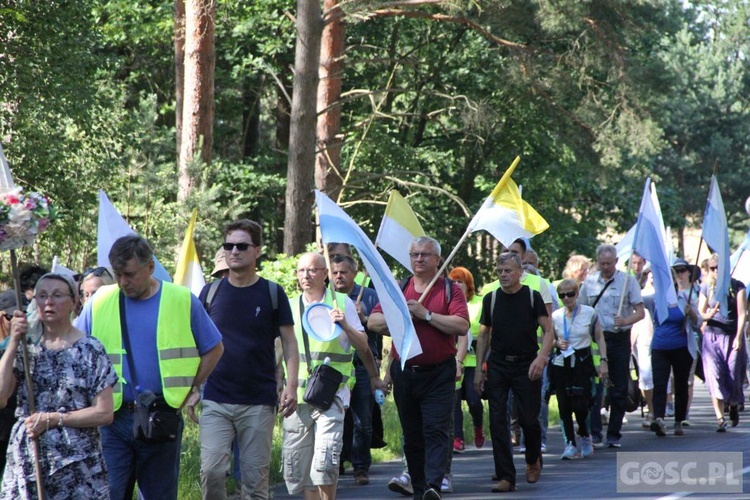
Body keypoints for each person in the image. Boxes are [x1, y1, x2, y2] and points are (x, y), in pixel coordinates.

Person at [76, 234, 224, 500]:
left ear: (150, 267)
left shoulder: (182, 299)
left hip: (161, 415)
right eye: (118, 274)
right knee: (107, 494)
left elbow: (214, 348)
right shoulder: (99, 302)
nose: (123, 282)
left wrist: (193, 386)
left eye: (130, 274)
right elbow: (73, 348)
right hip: (112, 419)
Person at [196, 219, 299, 500]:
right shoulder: (209, 293)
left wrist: (291, 386)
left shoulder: (273, 293)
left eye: (242, 246)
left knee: (254, 484)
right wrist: (192, 389)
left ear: (257, 251)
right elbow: (196, 345)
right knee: (212, 471)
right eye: (228, 246)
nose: (234, 251)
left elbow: (289, 343)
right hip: (216, 398)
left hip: (258, 401)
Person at [369, 236, 469, 500]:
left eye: (425, 255)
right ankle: (419, 486)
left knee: (435, 429)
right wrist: (401, 317)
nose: (419, 259)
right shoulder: (399, 288)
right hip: (406, 373)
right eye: (414, 255)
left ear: (438, 259)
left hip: (439, 372)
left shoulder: (450, 290)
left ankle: (434, 485)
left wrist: (426, 315)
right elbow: (373, 321)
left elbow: (461, 326)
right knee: (412, 434)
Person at [0, 273, 117, 498]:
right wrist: (14, 341)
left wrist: (55, 419)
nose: (48, 302)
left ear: (74, 302)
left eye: (57, 295)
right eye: (41, 296)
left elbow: (104, 413)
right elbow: (1, 396)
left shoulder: (90, 349)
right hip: (29, 459)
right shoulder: (27, 348)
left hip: (78, 463)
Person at [282, 252, 385, 499]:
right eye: (301, 271)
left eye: (312, 270)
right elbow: (278, 350)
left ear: (325, 274)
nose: (306, 276)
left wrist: (345, 325)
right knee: (300, 467)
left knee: (325, 463)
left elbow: (363, 345)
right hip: (298, 397)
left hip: (333, 394)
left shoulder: (341, 303)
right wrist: (279, 386)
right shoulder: (289, 305)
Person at [474, 252, 553, 493]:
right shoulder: (491, 299)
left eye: (508, 271)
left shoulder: (532, 296)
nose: (503, 275)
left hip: (526, 364)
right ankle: (506, 476)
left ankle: (532, 459)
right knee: (497, 420)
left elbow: (549, 331)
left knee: (529, 419)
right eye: (499, 271)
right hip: (498, 364)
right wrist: (479, 370)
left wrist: (541, 358)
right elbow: (484, 334)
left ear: (520, 272)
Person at [578, 244, 644, 448]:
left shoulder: (628, 282)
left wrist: (625, 320)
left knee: (619, 388)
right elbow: (580, 310)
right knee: (594, 387)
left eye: (609, 263)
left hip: (618, 339)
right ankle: (595, 432)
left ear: (616, 262)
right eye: (602, 263)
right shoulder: (588, 284)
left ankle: (614, 433)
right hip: (596, 340)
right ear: (597, 262)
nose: (605, 267)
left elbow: (640, 312)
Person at [329, 253, 379, 486]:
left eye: (344, 272)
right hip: (335, 367)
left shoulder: (369, 296)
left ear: (354, 274)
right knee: (338, 418)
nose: (339, 276)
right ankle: (336, 463)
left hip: (361, 364)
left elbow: (382, 329)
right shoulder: (326, 297)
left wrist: (364, 318)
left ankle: (361, 467)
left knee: (362, 420)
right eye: (335, 272)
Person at [550, 279, 607, 460]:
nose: (567, 298)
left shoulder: (589, 313)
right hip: (562, 363)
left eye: (570, 294)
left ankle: (584, 434)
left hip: (582, 362)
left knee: (581, 405)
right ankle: (570, 444)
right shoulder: (556, 316)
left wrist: (603, 361)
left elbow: (599, 337)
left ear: (577, 294)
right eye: (562, 295)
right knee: (564, 405)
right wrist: (556, 343)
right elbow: (547, 339)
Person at [646, 261, 702, 437]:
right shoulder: (654, 299)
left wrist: (691, 313)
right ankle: (659, 419)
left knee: (681, 385)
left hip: (681, 348)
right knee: (660, 384)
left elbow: (698, 322)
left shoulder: (685, 298)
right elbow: (635, 302)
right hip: (659, 348)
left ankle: (678, 421)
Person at [699, 253, 747, 431]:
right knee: (714, 376)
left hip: (732, 336)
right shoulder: (706, 288)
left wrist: (739, 337)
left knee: (734, 376)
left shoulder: (737, 286)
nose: (716, 271)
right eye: (712, 268)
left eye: (719, 267)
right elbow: (700, 313)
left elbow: (742, 314)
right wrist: (707, 315)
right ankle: (720, 418)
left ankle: (733, 403)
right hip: (712, 337)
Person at [448, 267, 485, 453]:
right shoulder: (448, 302)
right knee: (453, 401)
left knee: (473, 399)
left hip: (473, 361)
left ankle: (478, 426)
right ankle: (457, 438)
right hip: (452, 358)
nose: (456, 285)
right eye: (453, 282)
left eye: (459, 282)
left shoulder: (479, 303)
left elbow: (486, 333)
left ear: (468, 285)